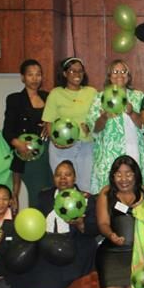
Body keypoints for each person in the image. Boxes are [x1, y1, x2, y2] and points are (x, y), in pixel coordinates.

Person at [7, 159, 99, 288]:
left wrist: (81, 224)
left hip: (71, 251)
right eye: (58, 175)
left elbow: (95, 229)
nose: (63, 178)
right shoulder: (45, 196)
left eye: (67, 174)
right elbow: (35, 221)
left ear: (74, 178)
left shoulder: (85, 199)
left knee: (47, 285)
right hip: (45, 247)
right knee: (20, 279)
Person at [95, 155, 144, 288]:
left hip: (140, 254)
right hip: (112, 253)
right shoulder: (106, 193)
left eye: (128, 174)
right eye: (118, 174)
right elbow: (102, 223)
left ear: (136, 174)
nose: (123, 179)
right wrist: (111, 235)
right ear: (113, 176)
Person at [87, 59, 144, 193]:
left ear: (128, 76)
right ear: (109, 76)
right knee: (108, 194)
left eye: (123, 71)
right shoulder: (100, 98)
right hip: (108, 155)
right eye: (115, 72)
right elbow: (94, 129)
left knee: (135, 193)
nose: (119, 74)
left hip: (134, 152)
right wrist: (104, 117)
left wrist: (132, 113)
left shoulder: (138, 96)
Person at [41, 57, 97, 191]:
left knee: (86, 187)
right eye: (72, 71)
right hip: (62, 148)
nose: (77, 74)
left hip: (86, 146)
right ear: (65, 73)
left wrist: (91, 127)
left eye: (80, 71)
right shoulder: (56, 94)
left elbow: (98, 117)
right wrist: (55, 141)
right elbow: (48, 122)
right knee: (64, 186)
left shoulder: (92, 92)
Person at [4, 58, 53, 210]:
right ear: (22, 77)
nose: (35, 78)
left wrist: (50, 125)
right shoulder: (15, 99)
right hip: (30, 155)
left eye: (38, 74)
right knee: (37, 195)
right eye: (30, 74)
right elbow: (7, 130)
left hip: (50, 153)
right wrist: (18, 144)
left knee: (52, 193)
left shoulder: (48, 97)